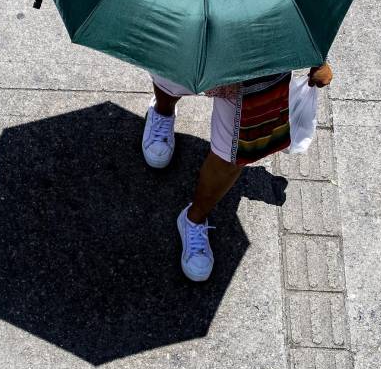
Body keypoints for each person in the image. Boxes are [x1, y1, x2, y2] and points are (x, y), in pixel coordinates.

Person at [141, 64, 334, 282]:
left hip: (256, 68)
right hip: (189, 43)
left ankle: (194, 219)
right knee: (170, 72)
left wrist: (319, 58)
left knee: (232, 154)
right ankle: (162, 111)